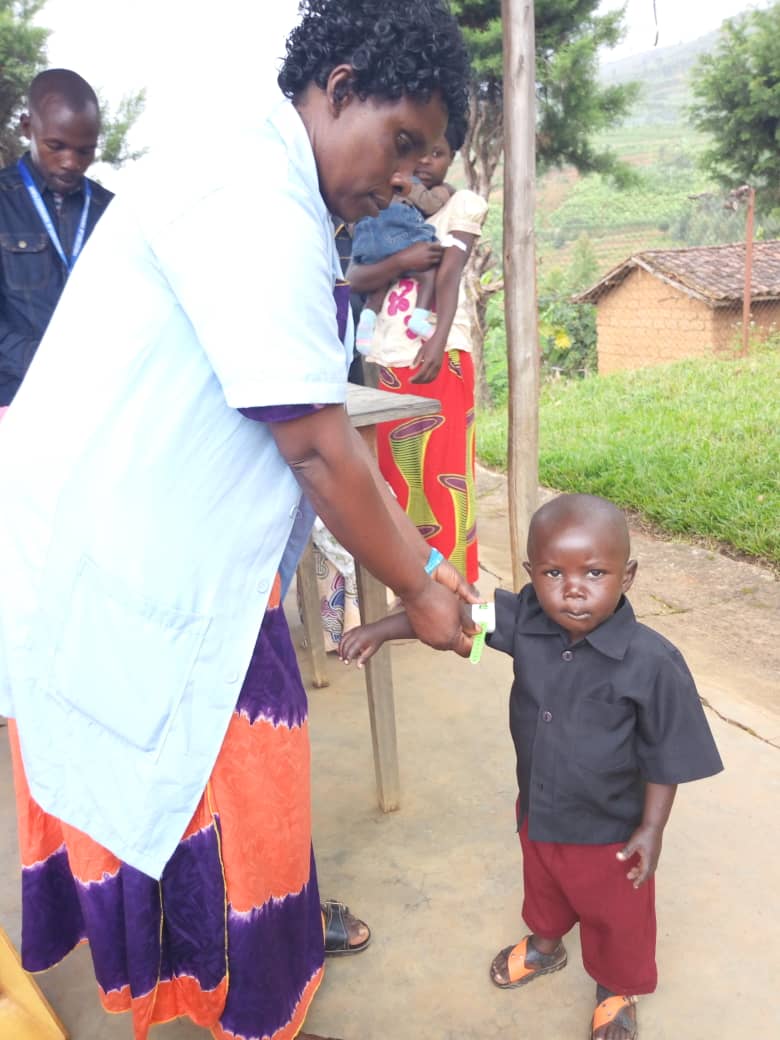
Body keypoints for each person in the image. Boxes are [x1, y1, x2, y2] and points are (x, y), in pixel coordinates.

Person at [0, 3, 474, 1040]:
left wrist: (417, 559)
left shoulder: (266, 181)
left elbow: (308, 415)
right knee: (230, 766)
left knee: (234, 766)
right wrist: (425, 588)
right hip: (124, 549)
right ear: (340, 85)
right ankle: (244, 989)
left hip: (157, 537)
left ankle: (267, 942)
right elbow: (312, 445)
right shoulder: (254, 193)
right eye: (399, 145)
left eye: (419, 169)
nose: (402, 183)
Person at [339, 493, 724, 1040]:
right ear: (530, 573)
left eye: (595, 572)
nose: (572, 588)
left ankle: (615, 987)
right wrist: (381, 629)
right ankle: (546, 946)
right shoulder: (526, 619)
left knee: (618, 916)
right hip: (538, 807)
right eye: (553, 572)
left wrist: (652, 828)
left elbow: (667, 755)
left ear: (628, 575)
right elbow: (451, 613)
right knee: (543, 885)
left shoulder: (653, 664)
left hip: (610, 828)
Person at [348, 123, 488, 584]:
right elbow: (360, 279)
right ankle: (411, 587)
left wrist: (435, 337)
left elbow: (447, 275)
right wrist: (402, 263)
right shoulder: (382, 206)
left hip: (440, 352)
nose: (427, 161)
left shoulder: (462, 206)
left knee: (446, 477)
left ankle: (457, 591)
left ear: (452, 159)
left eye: (439, 152)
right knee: (397, 475)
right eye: (418, 152)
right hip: (388, 356)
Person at [0, 68, 112, 411]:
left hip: (96, 397)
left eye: (85, 151)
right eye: (56, 146)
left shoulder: (112, 212)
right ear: (26, 127)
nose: (71, 162)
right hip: (12, 398)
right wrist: (45, 362)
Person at [351, 171, 454, 350]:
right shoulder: (405, 179)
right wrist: (444, 190)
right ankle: (418, 319)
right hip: (401, 236)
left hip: (366, 238)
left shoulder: (360, 181)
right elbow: (431, 204)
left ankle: (366, 322)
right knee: (429, 272)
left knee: (379, 282)